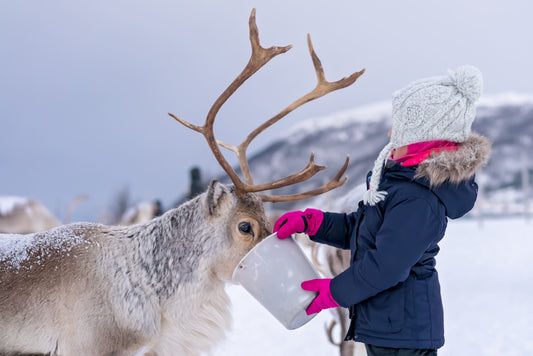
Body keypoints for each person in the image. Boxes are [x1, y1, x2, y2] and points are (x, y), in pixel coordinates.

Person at [273, 65, 491, 356]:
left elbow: (386, 267)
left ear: (422, 141)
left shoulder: (419, 200)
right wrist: (313, 223)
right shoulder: (401, 185)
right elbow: (361, 230)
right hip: (389, 326)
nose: (391, 133)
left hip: (404, 335)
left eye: (400, 129)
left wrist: (333, 291)